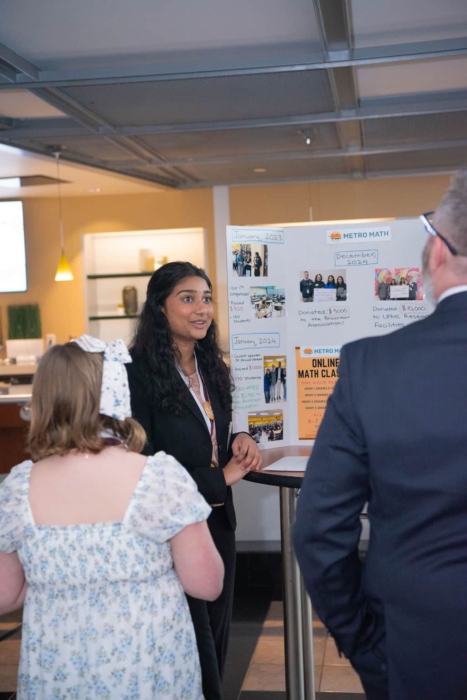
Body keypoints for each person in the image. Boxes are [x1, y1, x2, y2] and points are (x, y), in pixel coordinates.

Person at [293, 167, 467, 700]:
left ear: (438, 252)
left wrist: (365, 643)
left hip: (417, 648)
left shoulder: (372, 366)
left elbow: (320, 530)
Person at [0, 336, 224, 700]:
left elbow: (5, 595)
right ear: (119, 394)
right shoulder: (159, 479)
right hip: (147, 666)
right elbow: (207, 584)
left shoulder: (18, 488)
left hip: (58, 672)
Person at [126, 262, 261, 700]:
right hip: (169, 533)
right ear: (159, 308)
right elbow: (140, 465)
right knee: (188, 645)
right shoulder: (135, 373)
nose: (202, 308)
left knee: (216, 640)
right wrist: (218, 478)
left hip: (218, 524)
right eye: (187, 298)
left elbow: (213, 431)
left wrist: (238, 437)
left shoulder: (211, 366)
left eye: (206, 298)